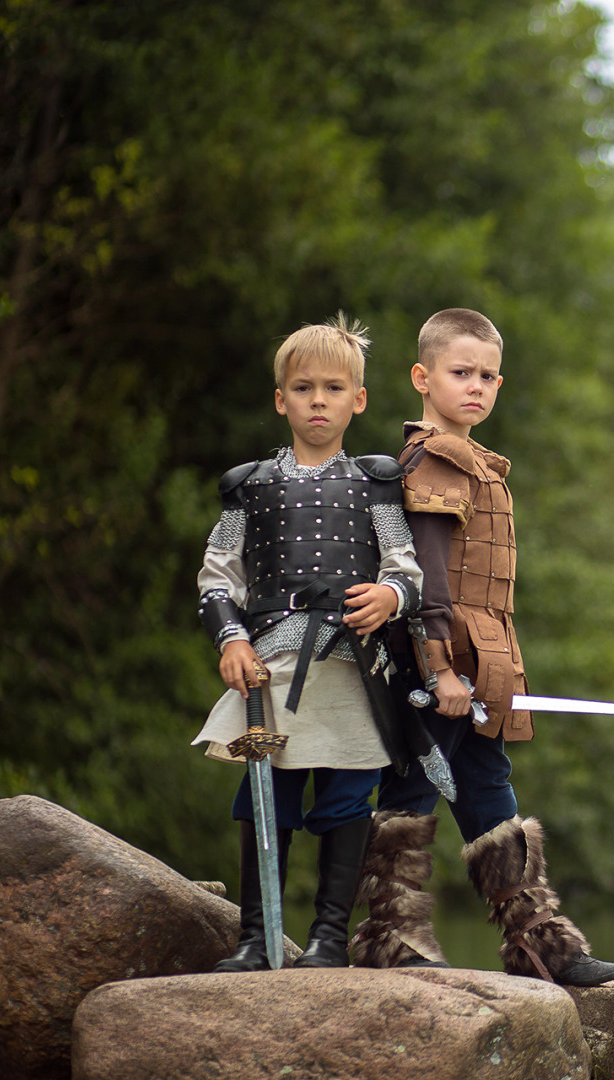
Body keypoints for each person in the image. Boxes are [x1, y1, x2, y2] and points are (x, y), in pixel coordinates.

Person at [349, 307, 614, 987]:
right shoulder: (436, 460)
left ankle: (540, 945)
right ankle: (391, 937)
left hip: (484, 663)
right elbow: (431, 580)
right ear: (422, 377)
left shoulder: (475, 463)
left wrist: (478, 670)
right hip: (436, 661)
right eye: (460, 372)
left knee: (488, 789)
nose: (476, 386)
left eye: (488, 376)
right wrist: (439, 669)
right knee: (411, 790)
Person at [193, 314, 422, 971]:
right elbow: (217, 578)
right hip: (268, 664)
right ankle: (255, 940)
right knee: (266, 797)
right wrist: (231, 640)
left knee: (348, 798)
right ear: (280, 399)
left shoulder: (377, 485)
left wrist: (390, 597)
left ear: (359, 398)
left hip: (353, 666)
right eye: (303, 388)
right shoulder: (250, 487)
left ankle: (326, 940)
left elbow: (406, 571)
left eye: (332, 387)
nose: (317, 400)